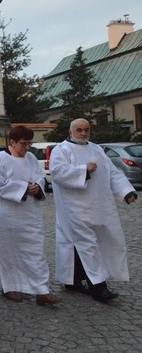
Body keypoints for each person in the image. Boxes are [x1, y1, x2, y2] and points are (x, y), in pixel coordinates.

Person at [50, 118, 137, 302]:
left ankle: (72, 280)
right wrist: (84, 170)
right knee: (87, 246)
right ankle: (98, 287)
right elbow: (57, 173)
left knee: (90, 244)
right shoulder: (61, 150)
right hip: (74, 208)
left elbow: (112, 172)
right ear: (71, 131)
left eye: (86, 130)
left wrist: (126, 191)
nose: (83, 133)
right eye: (79, 130)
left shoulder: (96, 149)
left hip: (99, 206)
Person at [0, 125, 61, 306]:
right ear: (12, 142)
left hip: (30, 215)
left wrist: (37, 186)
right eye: (23, 143)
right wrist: (24, 187)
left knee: (35, 252)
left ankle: (41, 290)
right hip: (6, 216)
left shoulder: (32, 158)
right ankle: (9, 286)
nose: (27, 147)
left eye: (29, 143)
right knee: (7, 252)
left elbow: (40, 177)